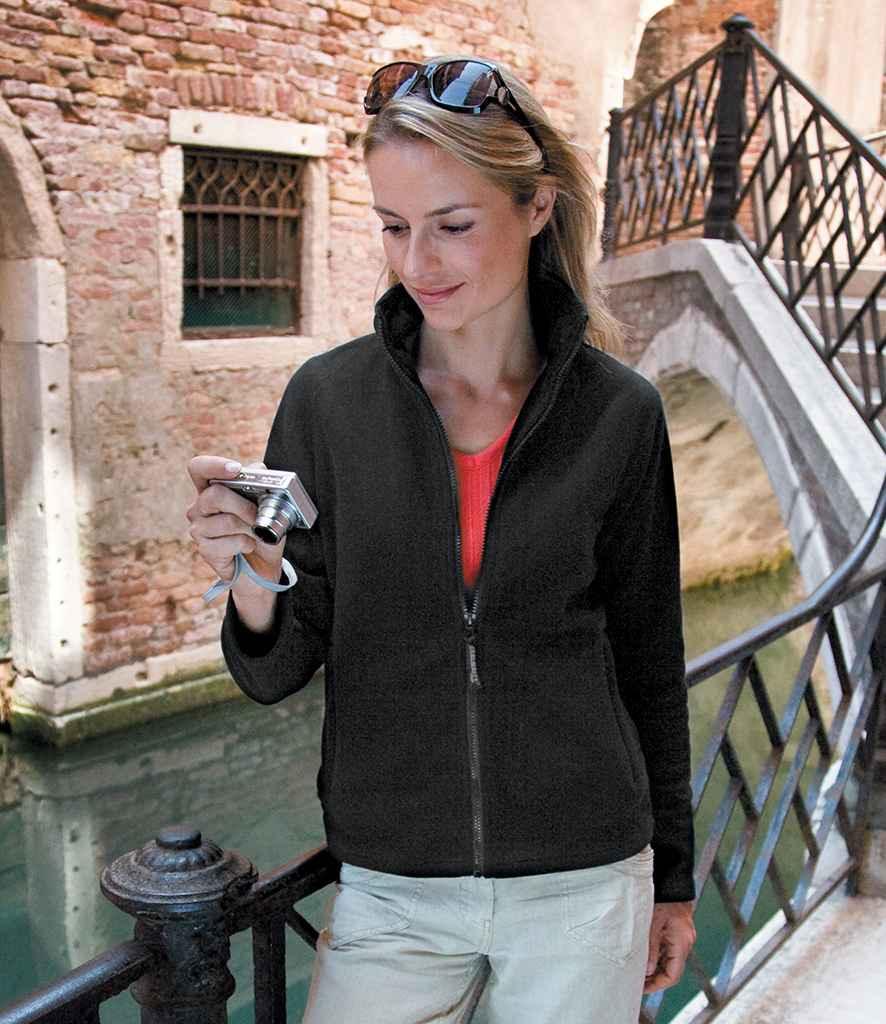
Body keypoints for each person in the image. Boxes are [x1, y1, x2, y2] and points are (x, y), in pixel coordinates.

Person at [187, 56, 696, 1024]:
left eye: (453, 224)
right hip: (392, 886)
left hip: (585, 880)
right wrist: (253, 579)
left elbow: (648, 656)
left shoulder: (620, 413)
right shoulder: (327, 402)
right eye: (393, 226)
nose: (418, 261)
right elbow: (275, 671)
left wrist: (672, 876)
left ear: (536, 207)